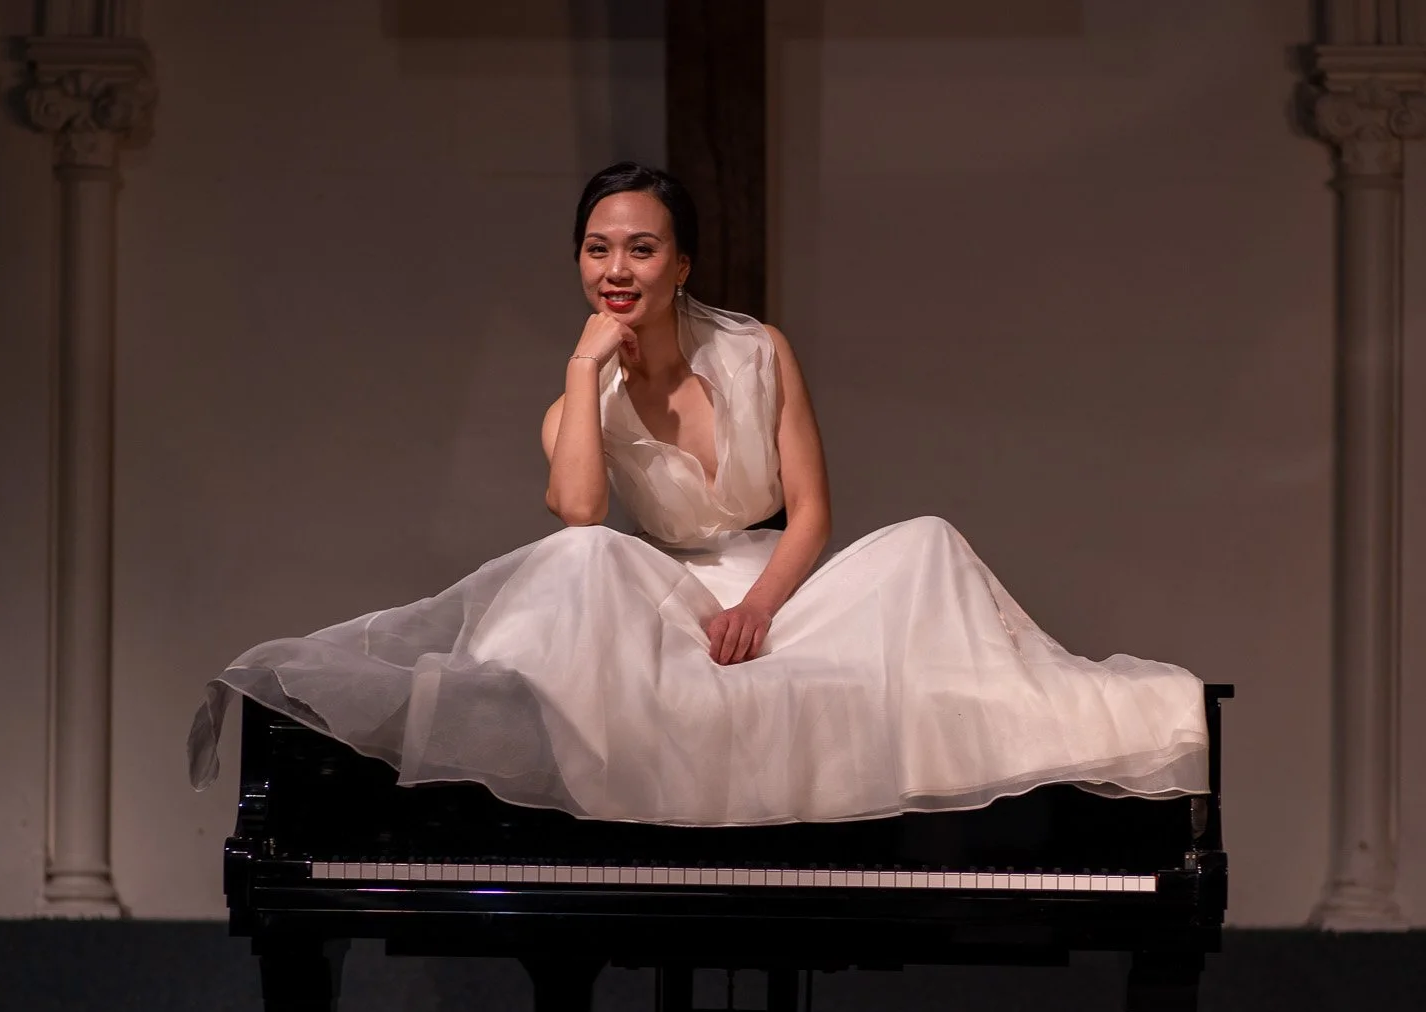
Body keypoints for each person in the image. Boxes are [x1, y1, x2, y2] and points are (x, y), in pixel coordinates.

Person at [189, 163, 1207, 825]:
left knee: (928, 541)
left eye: (639, 248)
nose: (616, 268)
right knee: (580, 560)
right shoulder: (576, 401)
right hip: (665, 590)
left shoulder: (759, 351)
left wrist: (758, 607)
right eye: (597, 248)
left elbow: (812, 512)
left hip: (784, 585)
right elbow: (579, 515)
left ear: (679, 264)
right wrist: (584, 369)